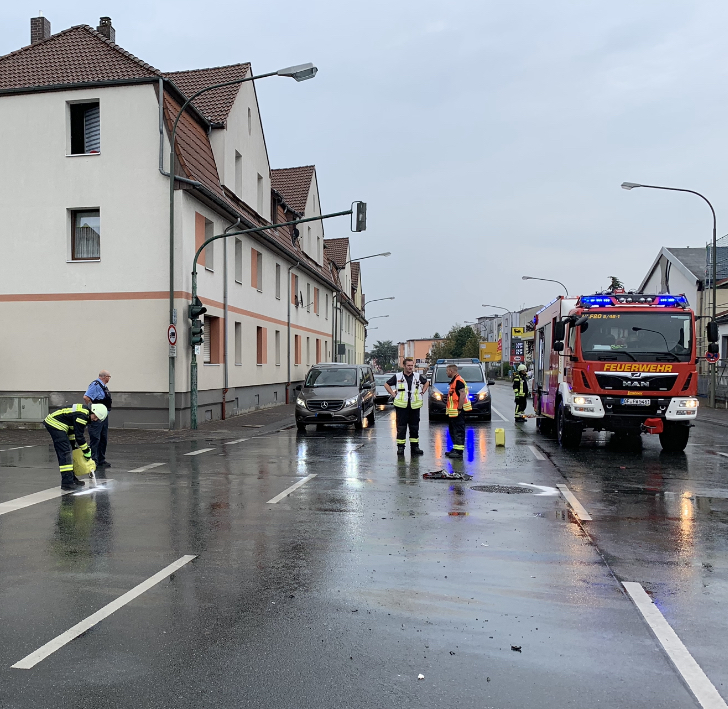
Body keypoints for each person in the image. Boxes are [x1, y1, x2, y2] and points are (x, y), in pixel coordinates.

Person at [44, 403, 108, 490]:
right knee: (65, 452)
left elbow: (72, 430)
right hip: (55, 424)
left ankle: (72, 479)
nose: (95, 420)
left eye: (97, 419)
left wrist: (73, 445)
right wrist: (86, 451)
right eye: (95, 417)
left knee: (70, 450)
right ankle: (67, 483)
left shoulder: (84, 413)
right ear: (93, 411)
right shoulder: (82, 416)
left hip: (62, 425)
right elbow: (79, 436)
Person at [385, 358, 429, 457]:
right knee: (401, 427)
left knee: (414, 427)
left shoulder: (417, 376)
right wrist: (392, 394)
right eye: (408, 365)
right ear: (404, 366)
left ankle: (415, 447)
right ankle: (400, 447)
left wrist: (423, 392)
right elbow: (386, 384)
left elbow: (426, 383)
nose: (410, 367)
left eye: (411, 365)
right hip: (402, 406)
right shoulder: (398, 376)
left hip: (414, 406)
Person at [84, 370, 112, 468]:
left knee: (103, 438)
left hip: (103, 416)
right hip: (97, 417)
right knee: (95, 438)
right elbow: (86, 397)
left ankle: (101, 459)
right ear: (105, 377)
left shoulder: (103, 386)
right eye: (109, 376)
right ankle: (93, 460)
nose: (109, 378)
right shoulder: (95, 385)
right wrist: (93, 411)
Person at [445, 363, 471, 458]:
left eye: (447, 371)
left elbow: (462, 395)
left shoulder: (458, 381)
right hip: (453, 412)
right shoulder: (454, 380)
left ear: (451, 371)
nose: (446, 373)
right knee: (453, 430)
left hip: (458, 411)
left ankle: (459, 451)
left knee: (458, 431)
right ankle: (455, 448)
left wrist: (459, 408)